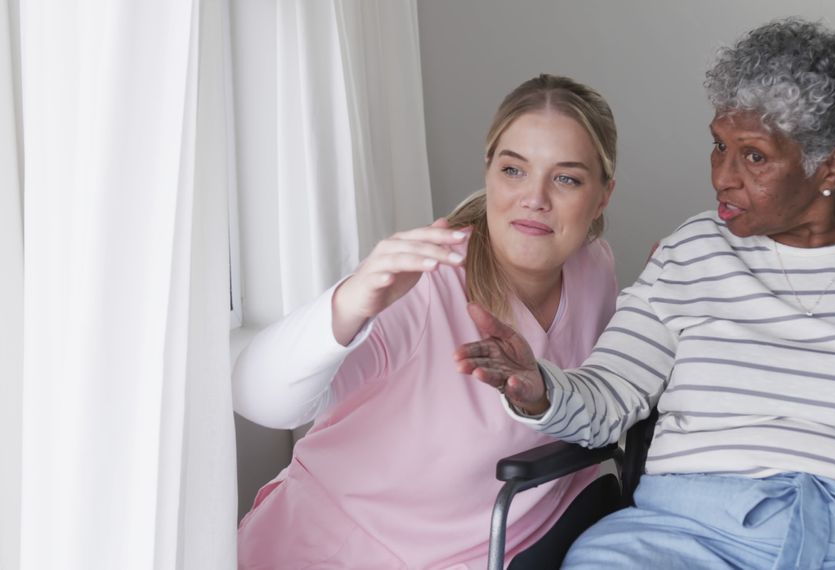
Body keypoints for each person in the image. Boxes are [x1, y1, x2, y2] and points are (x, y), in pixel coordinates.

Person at [456, 19, 835, 569]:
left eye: (754, 157)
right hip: (683, 537)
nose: (722, 176)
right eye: (719, 145)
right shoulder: (694, 249)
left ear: (831, 167)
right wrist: (540, 389)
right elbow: (609, 397)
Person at [233, 74, 620, 569]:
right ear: (488, 172)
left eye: (566, 178)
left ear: (603, 195)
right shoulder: (423, 286)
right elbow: (258, 398)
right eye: (514, 170)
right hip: (338, 552)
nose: (535, 198)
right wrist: (352, 301)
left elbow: (601, 402)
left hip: (517, 550)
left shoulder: (595, 268)